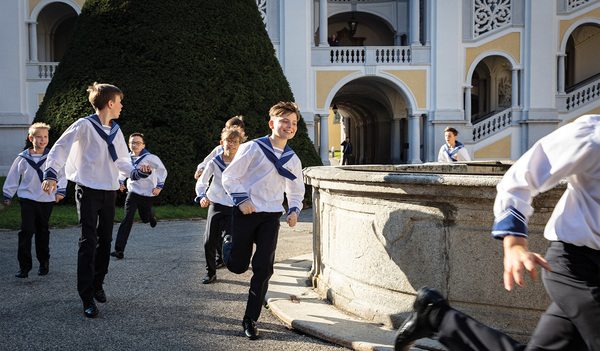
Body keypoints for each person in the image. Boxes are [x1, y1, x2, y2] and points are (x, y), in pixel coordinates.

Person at [394, 115, 600, 351]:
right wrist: (514, 243)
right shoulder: (592, 135)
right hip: (577, 268)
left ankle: (437, 318)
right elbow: (519, 179)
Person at [41, 82, 152, 318]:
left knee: (105, 239)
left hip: (109, 191)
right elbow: (61, 147)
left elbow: (122, 160)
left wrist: (136, 172)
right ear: (110, 103)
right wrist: (51, 173)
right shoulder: (84, 125)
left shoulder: (116, 130)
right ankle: (86, 296)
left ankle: (98, 282)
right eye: (120, 102)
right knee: (88, 241)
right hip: (88, 190)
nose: (122, 106)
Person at [221, 102, 305, 340]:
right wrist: (242, 200)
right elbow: (230, 177)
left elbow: (296, 189)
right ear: (272, 124)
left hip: (270, 217)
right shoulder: (252, 148)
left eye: (294, 123)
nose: (289, 126)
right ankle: (227, 242)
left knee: (264, 268)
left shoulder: (292, 158)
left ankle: (250, 318)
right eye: (284, 121)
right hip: (246, 213)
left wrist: (294, 210)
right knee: (237, 266)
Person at [3, 122, 66, 278]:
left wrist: (60, 191)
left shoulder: (52, 157)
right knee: (26, 231)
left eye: (45, 137)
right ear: (31, 138)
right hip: (28, 199)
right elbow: (13, 176)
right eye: (39, 137)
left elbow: (62, 174)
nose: (42, 140)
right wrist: (8, 193)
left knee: (42, 232)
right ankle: (24, 267)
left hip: (46, 200)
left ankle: (44, 262)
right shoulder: (22, 158)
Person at [195, 126, 246, 284]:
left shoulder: (243, 162)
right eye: (229, 141)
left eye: (235, 142)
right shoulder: (215, 162)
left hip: (233, 206)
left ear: (240, 144)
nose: (231, 145)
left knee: (229, 240)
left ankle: (228, 260)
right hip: (216, 204)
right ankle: (211, 272)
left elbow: (251, 183)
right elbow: (202, 181)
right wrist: (202, 196)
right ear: (222, 142)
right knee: (209, 240)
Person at [111, 132, 167, 260]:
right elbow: (122, 171)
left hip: (147, 194)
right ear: (128, 144)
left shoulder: (151, 158)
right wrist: (120, 182)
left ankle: (151, 215)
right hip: (133, 193)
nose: (134, 145)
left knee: (145, 218)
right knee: (127, 219)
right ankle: (119, 250)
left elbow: (162, 170)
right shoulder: (126, 157)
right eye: (132, 143)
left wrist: (159, 186)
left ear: (143, 145)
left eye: (138, 143)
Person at [193, 115, 245, 180]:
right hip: (218, 188)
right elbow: (206, 162)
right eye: (229, 131)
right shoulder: (219, 149)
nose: (232, 134)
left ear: (242, 134)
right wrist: (202, 169)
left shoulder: (246, 151)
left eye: (236, 131)